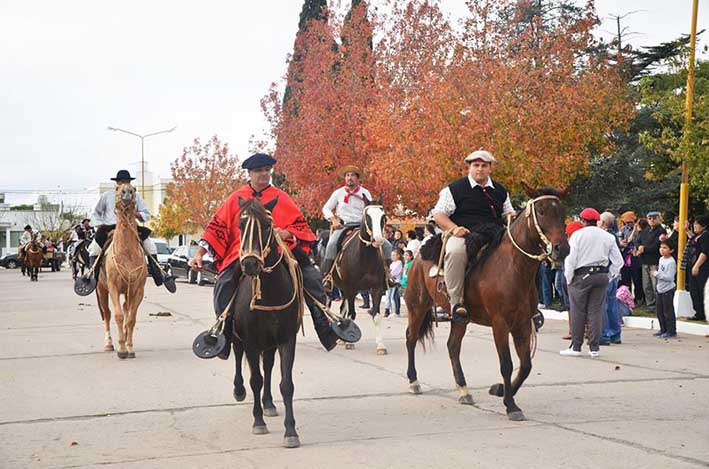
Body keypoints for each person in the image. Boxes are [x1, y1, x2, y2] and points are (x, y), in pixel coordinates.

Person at [190, 153, 343, 354]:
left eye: (266, 170)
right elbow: (216, 227)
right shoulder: (236, 198)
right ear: (249, 173)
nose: (264, 174)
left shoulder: (281, 197)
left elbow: (300, 225)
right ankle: (223, 332)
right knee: (224, 283)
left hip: (279, 248)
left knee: (310, 275)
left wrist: (286, 232)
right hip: (243, 250)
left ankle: (324, 323)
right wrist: (199, 253)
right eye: (258, 171)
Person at [431, 149, 515, 323]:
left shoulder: (500, 190)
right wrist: (454, 229)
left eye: (484, 165)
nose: (480, 169)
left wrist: (510, 218)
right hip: (464, 234)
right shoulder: (454, 189)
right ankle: (456, 302)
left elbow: (508, 214)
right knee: (455, 252)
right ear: (469, 167)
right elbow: (438, 214)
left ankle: (525, 301)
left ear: (490, 168)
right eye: (476, 165)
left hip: (494, 234)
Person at [83, 170, 170, 292]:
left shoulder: (136, 196)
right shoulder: (107, 196)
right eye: (122, 181)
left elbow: (146, 214)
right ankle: (92, 277)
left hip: (132, 228)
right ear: (117, 183)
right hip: (110, 229)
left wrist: (136, 214)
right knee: (93, 249)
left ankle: (159, 275)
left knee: (151, 247)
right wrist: (100, 224)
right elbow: (96, 213)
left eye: (127, 182)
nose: (125, 184)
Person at [561, 208, 623, 358]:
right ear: (596, 221)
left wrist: (569, 278)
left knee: (578, 311)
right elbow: (618, 261)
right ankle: (594, 348)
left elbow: (571, 259)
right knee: (596, 312)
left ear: (583, 221)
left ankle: (576, 346)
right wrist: (610, 276)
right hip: (601, 275)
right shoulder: (608, 236)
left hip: (581, 275)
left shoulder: (578, 235)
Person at [320, 165, 392, 289]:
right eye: (347, 175)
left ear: (358, 179)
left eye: (353, 175)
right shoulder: (338, 193)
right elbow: (326, 208)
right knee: (332, 244)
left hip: (362, 226)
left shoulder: (365, 193)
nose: (350, 178)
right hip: (344, 226)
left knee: (387, 245)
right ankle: (328, 276)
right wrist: (333, 219)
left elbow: (371, 208)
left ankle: (387, 276)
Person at [598, 211, 622, 345]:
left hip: (607, 272)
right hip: (613, 274)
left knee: (604, 304)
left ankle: (605, 333)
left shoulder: (605, 236)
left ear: (603, 222)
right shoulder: (614, 236)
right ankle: (615, 333)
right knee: (612, 304)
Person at [635, 211, 666, 310]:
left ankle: (659, 305)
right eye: (650, 218)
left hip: (655, 261)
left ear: (659, 219)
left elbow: (657, 245)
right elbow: (637, 240)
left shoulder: (661, 231)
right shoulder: (646, 230)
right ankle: (650, 305)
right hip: (644, 261)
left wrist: (644, 249)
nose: (652, 220)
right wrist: (639, 246)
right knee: (646, 286)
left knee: (656, 285)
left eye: (654, 218)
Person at [653, 240, 677, 337]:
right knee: (660, 311)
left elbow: (670, 277)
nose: (662, 250)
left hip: (668, 289)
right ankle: (663, 329)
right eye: (661, 247)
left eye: (665, 248)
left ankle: (671, 330)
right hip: (660, 288)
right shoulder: (661, 259)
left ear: (671, 250)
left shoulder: (671, 262)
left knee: (668, 311)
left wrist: (657, 274)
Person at [687, 216, 708, 321]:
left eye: (697, 224)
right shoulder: (697, 236)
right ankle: (698, 312)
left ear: (704, 226)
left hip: (701, 268)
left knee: (701, 290)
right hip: (692, 266)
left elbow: (704, 252)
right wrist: (687, 231)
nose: (694, 226)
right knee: (694, 290)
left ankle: (703, 313)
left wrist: (697, 266)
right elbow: (693, 241)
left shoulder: (706, 236)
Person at [385, 248, 403, 317]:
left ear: (398, 256)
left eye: (394, 255)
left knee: (394, 297)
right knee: (389, 296)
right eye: (392, 255)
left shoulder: (399, 263)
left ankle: (397, 311)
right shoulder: (392, 263)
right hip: (390, 281)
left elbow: (394, 272)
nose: (392, 256)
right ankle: (389, 310)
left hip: (396, 282)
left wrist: (389, 274)